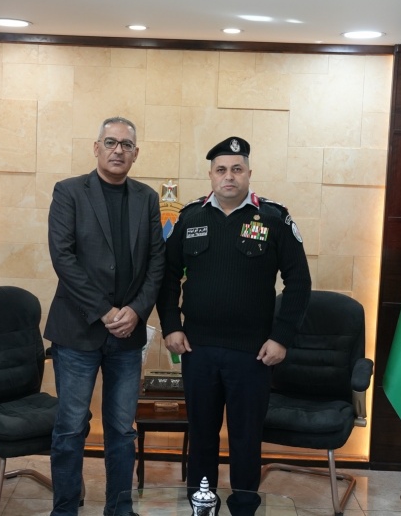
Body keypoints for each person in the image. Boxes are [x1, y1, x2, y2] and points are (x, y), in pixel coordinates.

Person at [156, 136, 311, 515]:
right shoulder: (189, 218)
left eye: (237, 169)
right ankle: (202, 503)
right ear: (211, 175)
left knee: (245, 437)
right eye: (221, 169)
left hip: (253, 353)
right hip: (198, 350)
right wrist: (171, 326)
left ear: (249, 174)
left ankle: (244, 505)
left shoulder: (273, 218)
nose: (229, 176)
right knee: (202, 435)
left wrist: (281, 337)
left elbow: (299, 282)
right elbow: (167, 276)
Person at [45, 116, 165, 516]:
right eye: (111, 142)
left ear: (136, 153)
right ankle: (65, 510)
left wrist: (136, 310)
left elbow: (157, 263)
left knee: (121, 430)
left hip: (127, 335)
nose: (118, 150)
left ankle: (119, 508)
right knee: (70, 428)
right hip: (77, 331)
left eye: (126, 145)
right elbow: (63, 257)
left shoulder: (147, 198)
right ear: (96, 148)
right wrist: (104, 311)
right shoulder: (69, 192)